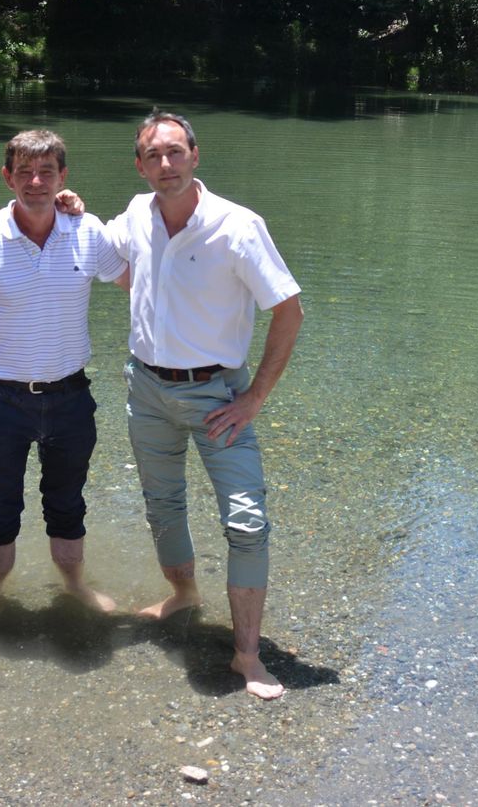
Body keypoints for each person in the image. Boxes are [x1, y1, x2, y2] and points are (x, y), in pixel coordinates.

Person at [107, 111, 304, 700]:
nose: (164, 165)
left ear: (196, 155)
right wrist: (67, 207)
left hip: (217, 394)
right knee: (162, 505)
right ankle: (183, 596)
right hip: (146, 387)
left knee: (247, 522)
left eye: (175, 152)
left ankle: (247, 655)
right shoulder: (136, 216)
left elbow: (288, 310)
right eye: (153, 155)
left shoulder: (237, 227)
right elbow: (111, 260)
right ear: (139, 165)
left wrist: (254, 398)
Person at [0, 130, 125, 611]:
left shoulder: (88, 231)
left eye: (47, 171)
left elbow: (135, 281)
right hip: (2, 398)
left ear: (63, 177)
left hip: (71, 395)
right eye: (24, 171)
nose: (36, 181)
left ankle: (74, 588)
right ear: (7, 177)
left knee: (67, 503)